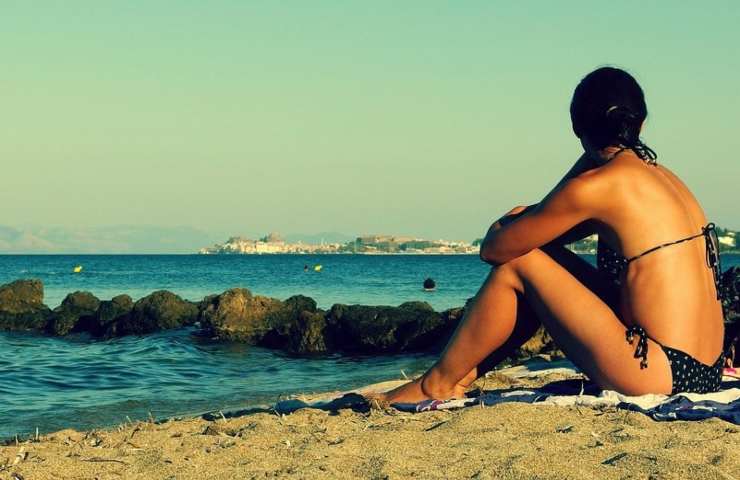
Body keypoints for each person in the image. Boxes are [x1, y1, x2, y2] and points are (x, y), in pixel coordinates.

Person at [375, 67, 725, 404]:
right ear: (642, 123)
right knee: (544, 261)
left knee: (521, 262)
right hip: (706, 371)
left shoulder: (596, 188)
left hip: (658, 372)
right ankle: (456, 379)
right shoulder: (669, 182)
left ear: (577, 127)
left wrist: (518, 215)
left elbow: (497, 249)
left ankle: (438, 384)